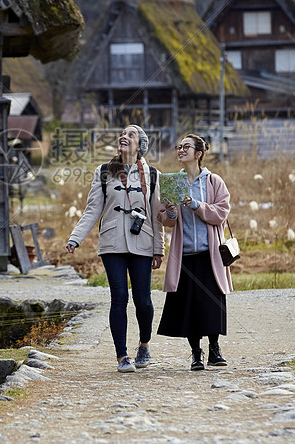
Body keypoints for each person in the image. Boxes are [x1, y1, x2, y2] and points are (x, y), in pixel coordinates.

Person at [66, 125, 164, 373]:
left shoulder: (152, 174)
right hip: (112, 243)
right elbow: (92, 210)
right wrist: (75, 238)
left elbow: (155, 215)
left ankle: (144, 343)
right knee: (119, 297)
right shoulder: (103, 172)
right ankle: (122, 356)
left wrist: (158, 248)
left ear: (140, 145)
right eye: (122, 133)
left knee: (143, 299)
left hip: (142, 240)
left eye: (131, 134)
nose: (124, 136)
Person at [157, 133, 232, 370]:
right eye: (179, 147)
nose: (181, 150)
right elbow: (164, 219)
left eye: (186, 147)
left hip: (210, 255)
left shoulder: (213, 182)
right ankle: (196, 354)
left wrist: (196, 205)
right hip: (185, 255)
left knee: (211, 305)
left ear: (198, 154)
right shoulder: (171, 182)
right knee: (189, 306)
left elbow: (221, 212)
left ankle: (214, 350)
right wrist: (170, 211)